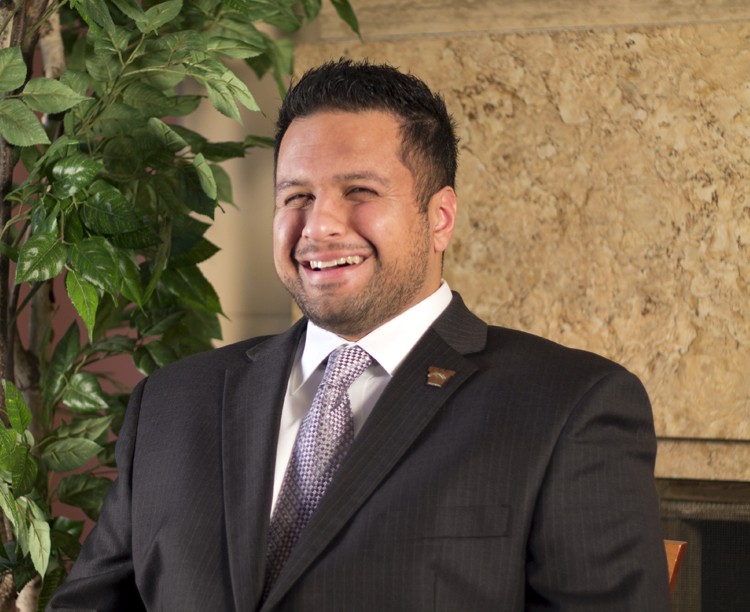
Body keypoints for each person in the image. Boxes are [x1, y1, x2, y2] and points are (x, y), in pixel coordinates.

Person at [49, 59, 669, 611]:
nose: (318, 226)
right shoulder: (170, 403)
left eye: (360, 192)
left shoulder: (569, 407)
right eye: (296, 195)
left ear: (440, 218)